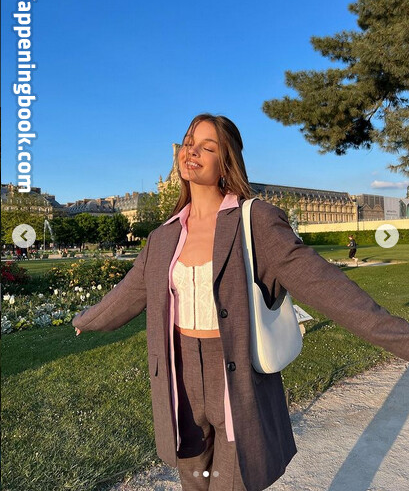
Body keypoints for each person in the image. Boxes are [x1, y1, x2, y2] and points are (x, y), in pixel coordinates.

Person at [72, 113, 409, 491]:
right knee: (195, 483)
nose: (191, 151)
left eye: (207, 147)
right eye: (188, 143)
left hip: (235, 375)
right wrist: (85, 319)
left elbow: (326, 287)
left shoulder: (256, 221)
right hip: (179, 378)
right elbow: (131, 292)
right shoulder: (163, 237)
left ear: (226, 162)